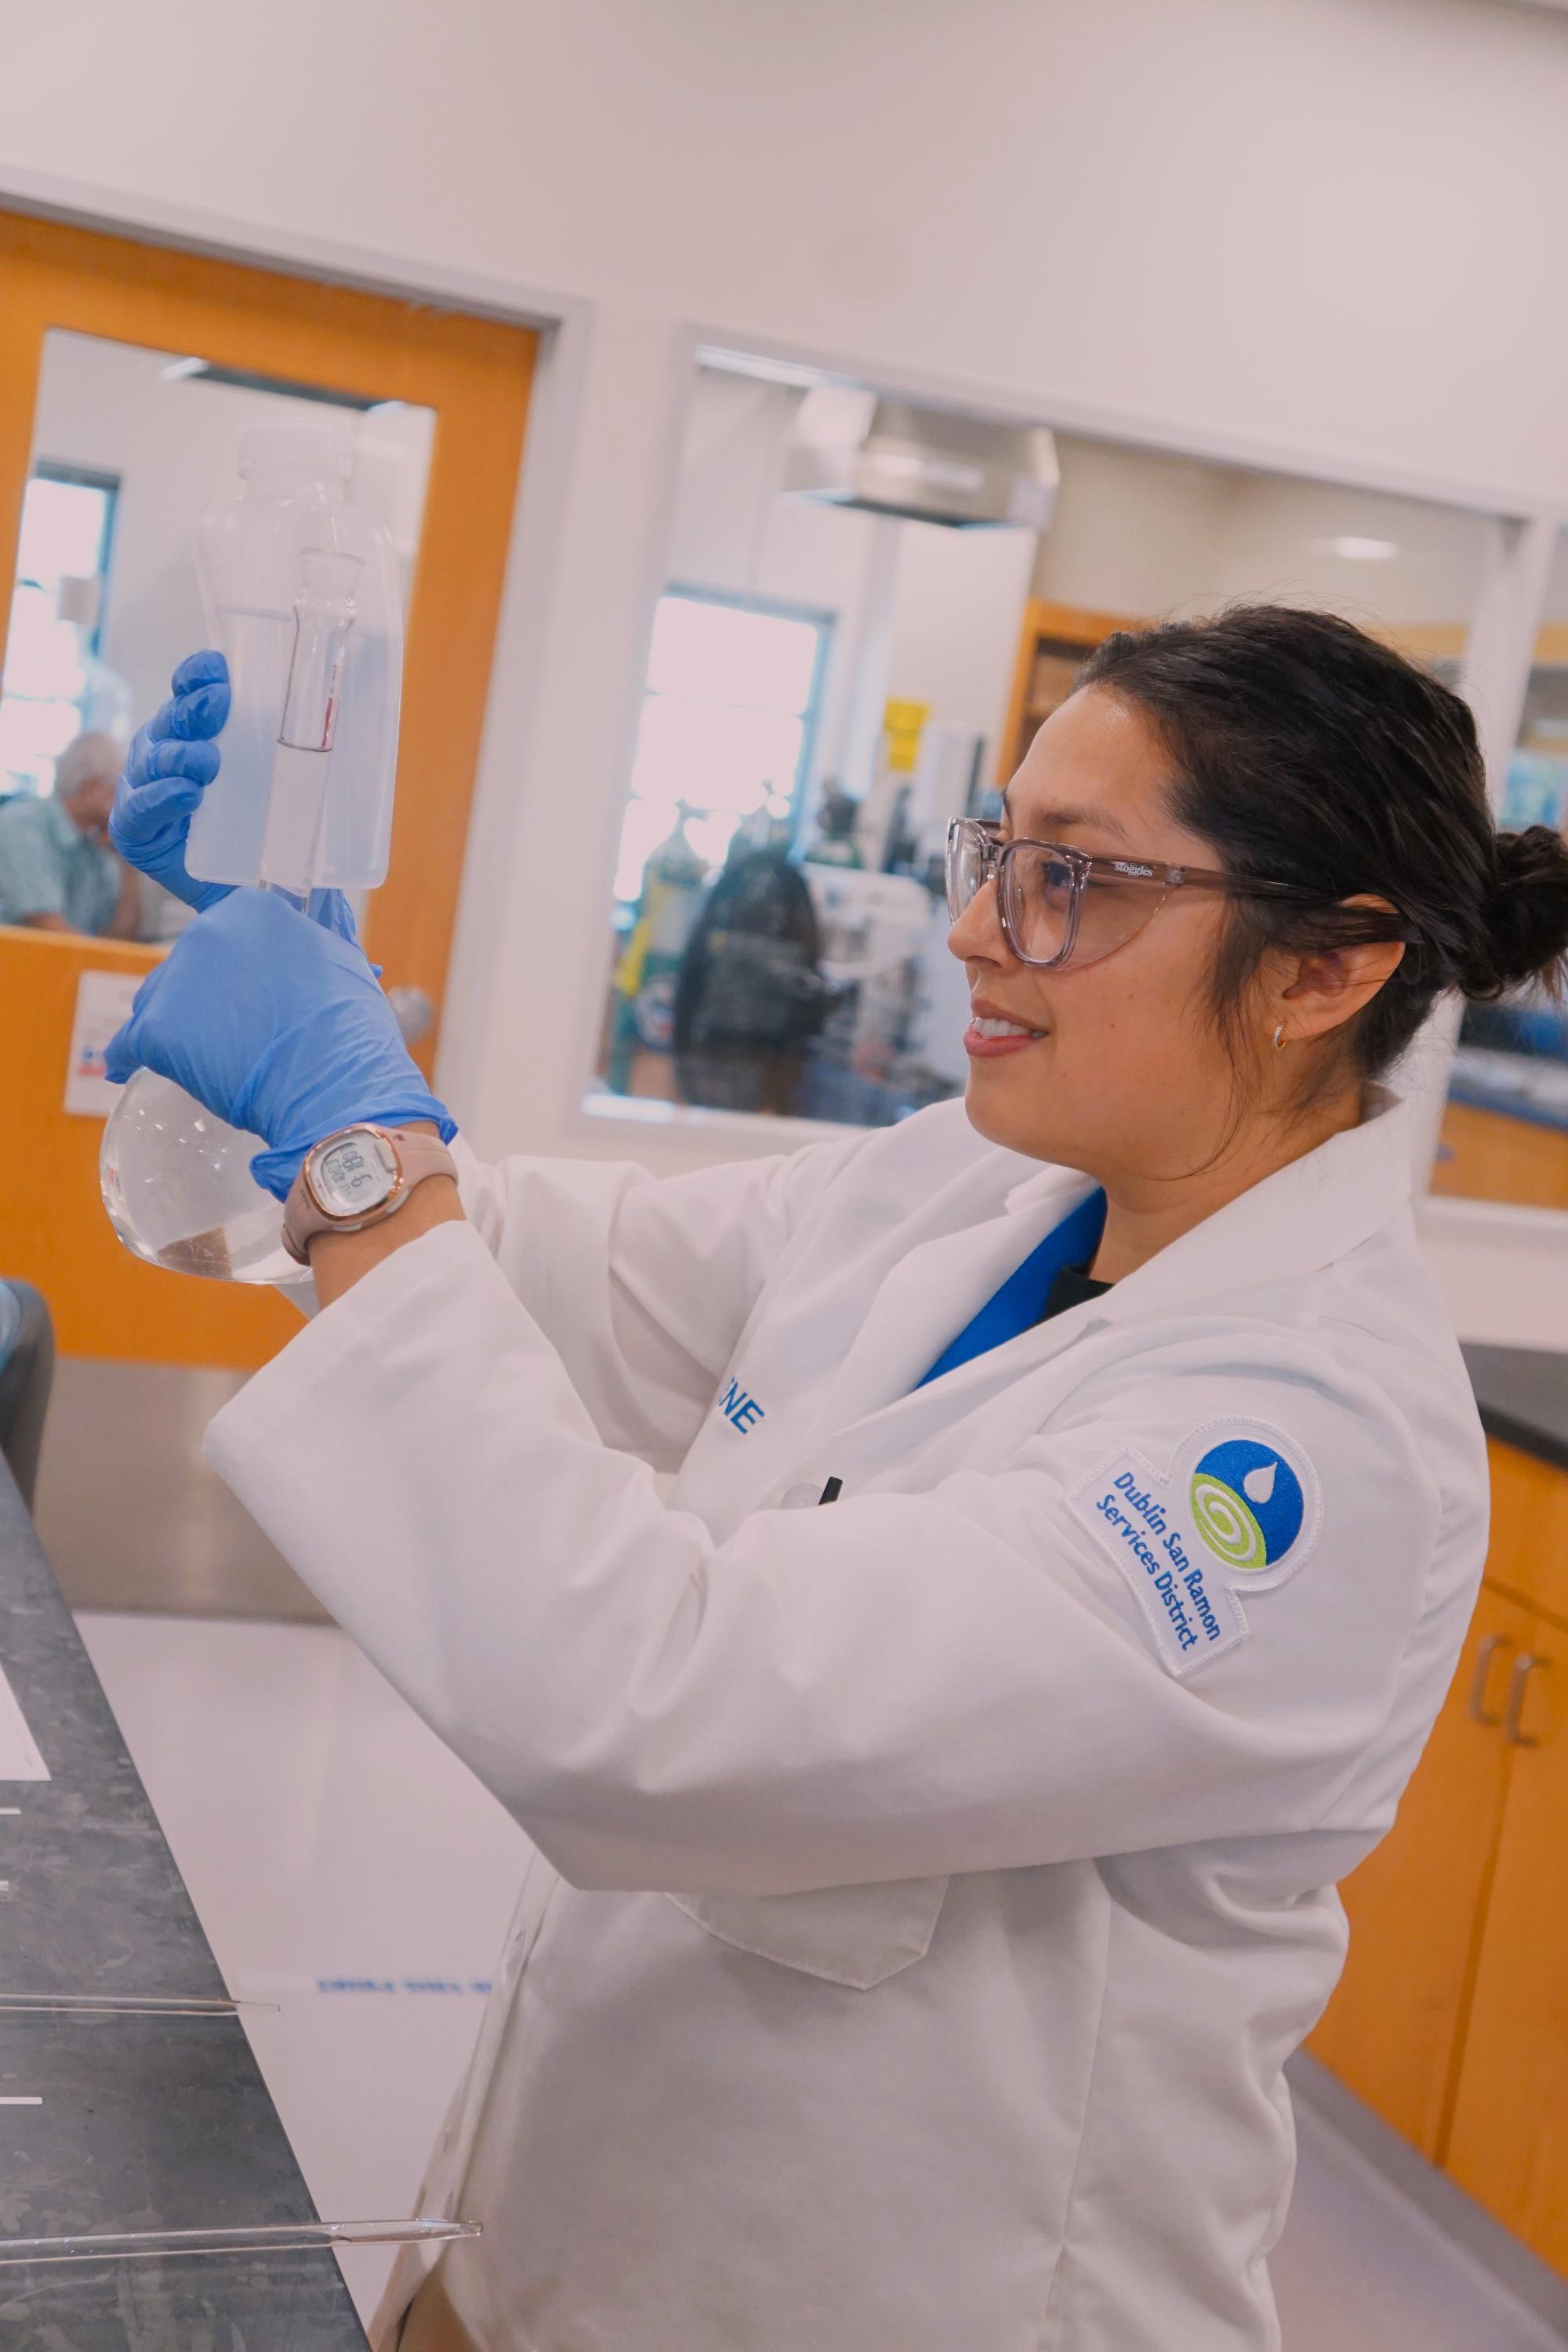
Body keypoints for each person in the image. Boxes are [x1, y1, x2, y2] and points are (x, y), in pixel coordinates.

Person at [105, 610, 1568, 2352]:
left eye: (1073, 882)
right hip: (565, 2248)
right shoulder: (975, 1188)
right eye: (996, 852)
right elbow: (533, 1265)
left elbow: (655, 1710)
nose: (973, 931)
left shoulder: (1304, 1448)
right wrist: (307, 1016)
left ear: (1328, 967)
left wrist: (359, 1146)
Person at [0, 732, 139, 935]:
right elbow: (48, 930)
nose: (129, 803)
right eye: (124, 790)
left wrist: (130, 862)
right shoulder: (23, 824)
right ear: (93, 787)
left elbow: (121, 936)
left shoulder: (96, 845)